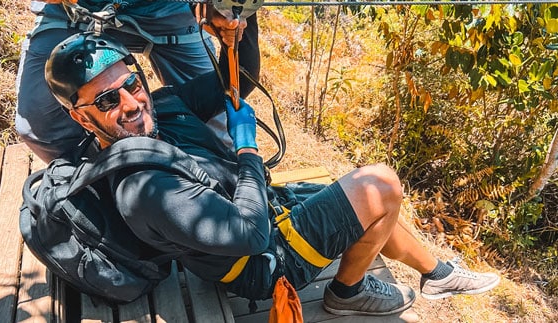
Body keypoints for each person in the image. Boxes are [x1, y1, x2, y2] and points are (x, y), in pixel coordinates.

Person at [44, 32, 501, 317]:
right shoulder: (141, 188)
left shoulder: (163, 106)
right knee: (380, 185)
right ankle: (348, 292)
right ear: (83, 118)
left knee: (371, 206)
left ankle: (437, 273)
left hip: (259, 209)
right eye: (106, 101)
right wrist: (246, 149)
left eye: (131, 84)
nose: (130, 103)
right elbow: (248, 234)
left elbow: (235, 77)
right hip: (261, 261)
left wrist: (237, 30)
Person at [15, 0, 260, 163]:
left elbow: (229, 84)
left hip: (169, 8)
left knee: (218, 119)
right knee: (38, 123)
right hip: (76, 8)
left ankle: (223, 185)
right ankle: (91, 190)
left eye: (132, 86)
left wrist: (228, 7)